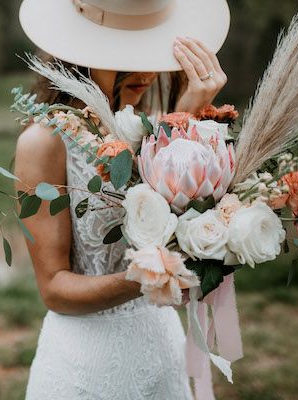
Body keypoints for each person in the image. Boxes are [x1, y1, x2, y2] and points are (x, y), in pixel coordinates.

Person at [14, 0, 230, 398]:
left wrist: (185, 124)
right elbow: (54, 289)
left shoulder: (146, 126)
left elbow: (178, 227)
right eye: (125, 55)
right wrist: (151, 277)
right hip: (86, 369)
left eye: (152, 50)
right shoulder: (43, 143)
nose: (147, 71)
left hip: (163, 348)